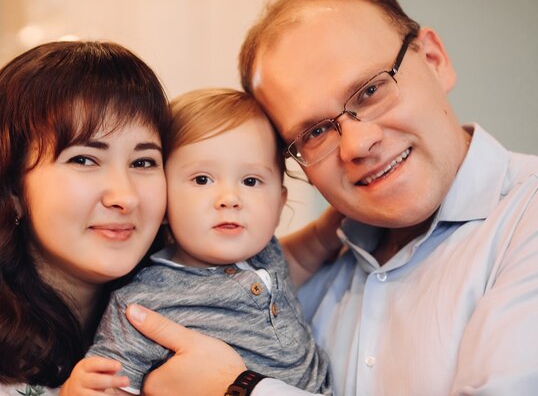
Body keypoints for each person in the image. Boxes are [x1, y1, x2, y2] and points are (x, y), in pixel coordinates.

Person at [122, 0, 538, 395]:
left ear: (435, 59)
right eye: (316, 131)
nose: (358, 144)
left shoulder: (532, 218)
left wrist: (240, 389)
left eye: (370, 90)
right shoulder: (301, 272)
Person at [0, 40, 170, 394]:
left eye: (143, 162)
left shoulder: (181, 334)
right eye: (83, 159)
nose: (124, 197)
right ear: (11, 189)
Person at [61, 88, 340, 395]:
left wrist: (334, 224)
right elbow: (113, 379)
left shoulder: (266, 253)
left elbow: (303, 256)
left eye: (250, 181)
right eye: (202, 179)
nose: (229, 199)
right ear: (164, 200)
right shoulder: (141, 304)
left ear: (279, 203)